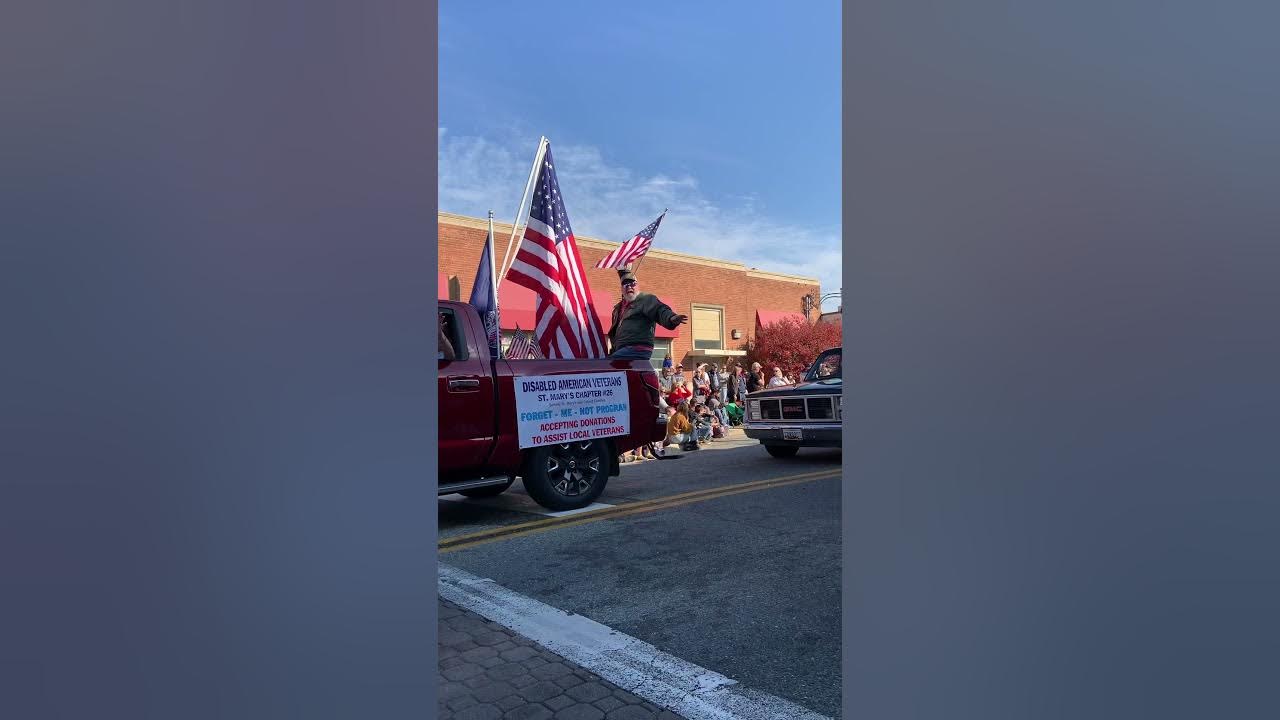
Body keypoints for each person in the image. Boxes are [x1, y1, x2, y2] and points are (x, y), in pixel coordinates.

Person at [606, 269, 687, 360]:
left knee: (604, 365)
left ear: (637, 286)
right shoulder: (618, 308)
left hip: (637, 349)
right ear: (621, 289)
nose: (629, 287)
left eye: (632, 283)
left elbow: (659, 309)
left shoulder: (646, 299)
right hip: (620, 350)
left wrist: (671, 318)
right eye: (625, 284)